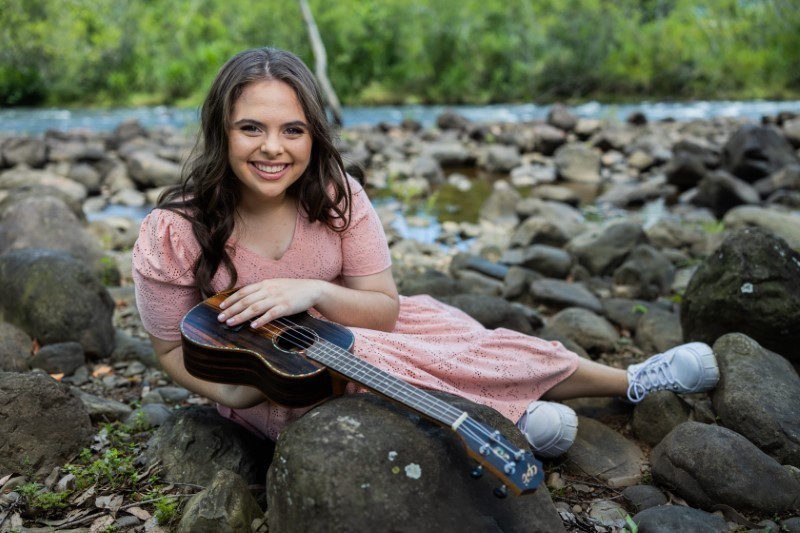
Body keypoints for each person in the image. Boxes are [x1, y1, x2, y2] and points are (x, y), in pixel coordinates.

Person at [132, 47, 719, 459]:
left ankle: (631, 380)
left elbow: (383, 310)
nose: (273, 148)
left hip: (358, 327)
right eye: (251, 128)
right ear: (222, 130)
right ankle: (502, 419)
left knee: (461, 340)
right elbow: (168, 348)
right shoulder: (175, 230)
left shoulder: (335, 193)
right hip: (278, 379)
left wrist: (311, 291)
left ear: (314, 134)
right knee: (365, 371)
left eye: (293, 130)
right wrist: (235, 393)